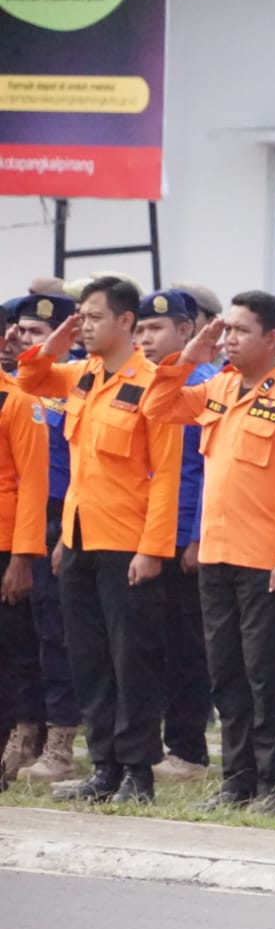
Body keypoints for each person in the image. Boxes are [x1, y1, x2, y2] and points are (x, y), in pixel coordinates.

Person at [142, 292, 275, 812]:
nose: (228, 339)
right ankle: (237, 781)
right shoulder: (217, 386)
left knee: (268, 675)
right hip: (218, 554)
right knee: (226, 674)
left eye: (241, 331)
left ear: (271, 338)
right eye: (227, 330)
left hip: (267, 558)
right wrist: (188, 359)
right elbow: (158, 407)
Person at [18, 275, 184, 805]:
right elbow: (31, 377)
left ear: (126, 322)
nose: (84, 326)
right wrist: (55, 341)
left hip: (128, 545)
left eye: (93, 317)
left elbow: (167, 476)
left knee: (131, 661)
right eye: (81, 318)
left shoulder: (153, 383)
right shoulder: (83, 375)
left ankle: (138, 771)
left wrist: (152, 550)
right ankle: (106, 767)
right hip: (82, 538)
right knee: (89, 659)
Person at [132, 290, 216, 785]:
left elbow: (207, 469)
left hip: (184, 534)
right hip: (151, 531)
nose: (145, 338)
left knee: (187, 647)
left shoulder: (203, 385)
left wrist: (195, 536)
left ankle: (188, 750)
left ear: (186, 332)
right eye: (140, 330)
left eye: (156, 330)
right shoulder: (153, 383)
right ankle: (166, 743)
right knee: (154, 644)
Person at [3, 294, 81, 787]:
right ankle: (24, 731)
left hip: (66, 516)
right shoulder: (17, 386)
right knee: (19, 639)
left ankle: (60, 740)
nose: (28, 340)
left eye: (38, 333)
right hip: (27, 522)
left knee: (57, 636)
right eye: (23, 331)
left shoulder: (77, 384)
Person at [0, 305, 50, 792]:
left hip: (5, 546)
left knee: (10, 658)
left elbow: (34, 484)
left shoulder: (17, 401)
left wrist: (22, 557)